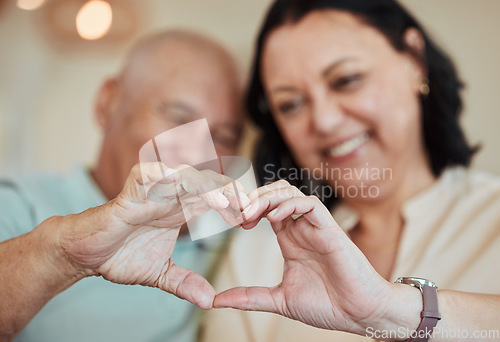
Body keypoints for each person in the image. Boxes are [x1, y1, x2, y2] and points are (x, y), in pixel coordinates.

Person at [200, 0, 500, 341]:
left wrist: (395, 311)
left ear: (414, 60)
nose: (325, 121)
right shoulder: (257, 255)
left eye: (346, 80)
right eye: (291, 104)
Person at [0, 29, 246, 342]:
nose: (200, 155)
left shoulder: (229, 242)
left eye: (224, 136)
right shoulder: (16, 207)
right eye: (178, 117)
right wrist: (66, 256)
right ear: (108, 102)